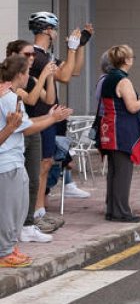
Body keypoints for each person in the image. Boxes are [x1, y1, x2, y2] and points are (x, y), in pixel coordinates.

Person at [0, 55, 71, 266]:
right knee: (10, 209)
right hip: (7, 162)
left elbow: (25, 123)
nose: (29, 76)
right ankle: (5, 252)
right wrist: (52, 119)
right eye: (27, 73)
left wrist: (50, 116)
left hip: (13, 160)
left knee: (18, 207)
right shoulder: (8, 98)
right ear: (20, 75)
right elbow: (27, 127)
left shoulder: (9, 95)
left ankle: (10, 247)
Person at [24, 13, 87, 238]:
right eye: (55, 29)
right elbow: (66, 76)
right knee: (42, 165)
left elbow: (75, 70)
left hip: (49, 117)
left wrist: (79, 47)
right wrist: (70, 49)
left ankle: (38, 208)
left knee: (47, 163)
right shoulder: (38, 57)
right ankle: (36, 211)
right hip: (41, 117)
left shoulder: (45, 55)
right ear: (48, 30)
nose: (57, 33)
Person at [96, 45, 140, 223]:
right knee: (123, 172)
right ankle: (121, 212)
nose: (133, 60)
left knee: (114, 171)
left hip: (108, 128)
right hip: (121, 130)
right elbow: (132, 107)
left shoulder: (107, 78)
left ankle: (112, 210)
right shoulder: (123, 81)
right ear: (126, 60)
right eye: (132, 57)